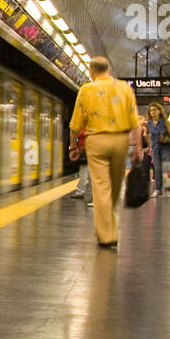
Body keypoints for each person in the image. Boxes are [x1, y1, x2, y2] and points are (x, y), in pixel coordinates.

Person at [69, 56, 140, 248]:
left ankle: (106, 235)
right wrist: (138, 149)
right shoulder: (125, 88)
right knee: (115, 187)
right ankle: (111, 228)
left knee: (101, 187)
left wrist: (73, 146)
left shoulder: (87, 89)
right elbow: (135, 122)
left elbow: (75, 124)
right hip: (120, 141)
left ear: (92, 72)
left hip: (97, 141)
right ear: (109, 70)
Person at [145, 103, 170, 197]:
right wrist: (150, 146)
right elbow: (147, 134)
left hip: (165, 148)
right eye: (151, 110)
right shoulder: (148, 123)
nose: (153, 112)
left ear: (159, 111)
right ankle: (158, 190)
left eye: (155, 110)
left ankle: (169, 189)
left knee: (166, 168)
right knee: (157, 169)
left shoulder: (165, 122)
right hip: (155, 149)